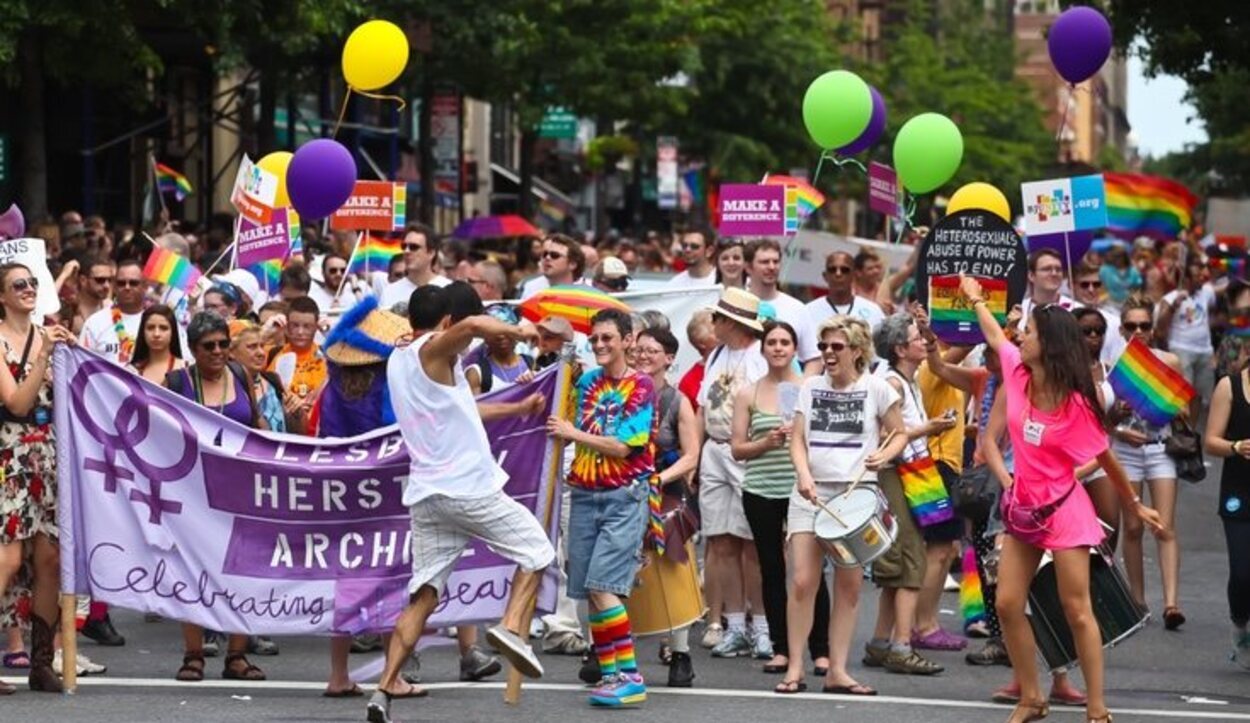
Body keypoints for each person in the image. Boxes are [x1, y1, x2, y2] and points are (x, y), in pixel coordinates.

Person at [959, 274, 1164, 723]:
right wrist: (975, 298)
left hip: (1065, 512)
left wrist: (1134, 505)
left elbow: (1105, 459)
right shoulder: (1014, 370)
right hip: (1024, 509)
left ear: (1047, 343)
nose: (1020, 336)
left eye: (1028, 331)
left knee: (1077, 610)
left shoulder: (1075, 404)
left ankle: (1096, 705)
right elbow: (995, 333)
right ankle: (1032, 697)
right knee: (1008, 602)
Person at [368, 282, 552, 723]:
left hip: (429, 497)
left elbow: (464, 407)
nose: (467, 344)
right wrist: (522, 331)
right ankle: (510, 627)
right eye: (461, 336)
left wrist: (518, 408)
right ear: (445, 325)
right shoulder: (431, 350)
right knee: (537, 551)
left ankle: (384, 687)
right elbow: (470, 324)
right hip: (466, 489)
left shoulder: (398, 360)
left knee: (425, 596)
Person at [316, 298, 499, 698]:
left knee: (348, 580)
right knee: (391, 579)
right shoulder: (390, 385)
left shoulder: (331, 390)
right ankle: (392, 676)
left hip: (344, 494)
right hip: (389, 494)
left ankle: (338, 674)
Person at [783, 315, 909, 695]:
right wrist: (803, 475)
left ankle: (837, 670)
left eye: (836, 347)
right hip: (811, 492)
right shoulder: (809, 387)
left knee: (850, 587)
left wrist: (884, 456)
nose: (828, 353)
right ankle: (795, 667)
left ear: (857, 350)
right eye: (823, 347)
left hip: (856, 496)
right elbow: (796, 441)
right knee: (804, 580)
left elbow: (899, 433)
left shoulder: (876, 388)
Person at [547, 308, 655, 706]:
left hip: (622, 496)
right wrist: (535, 380)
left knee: (603, 587)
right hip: (584, 493)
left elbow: (626, 446)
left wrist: (573, 433)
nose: (600, 345)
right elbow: (555, 405)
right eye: (595, 339)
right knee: (589, 591)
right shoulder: (589, 380)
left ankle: (630, 676)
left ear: (628, 340)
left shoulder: (641, 386)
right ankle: (610, 673)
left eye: (608, 338)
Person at [164, 311, 269, 683]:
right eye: (210, 346)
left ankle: (237, 655)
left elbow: (257, 424)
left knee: (241, 572)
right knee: (193, 572)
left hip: (241, 490)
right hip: (193, 494)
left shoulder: (242, 375)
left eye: (225, 344)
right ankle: (194, 655)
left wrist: (277, 450)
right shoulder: (177, 383)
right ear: (193, 350)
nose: (219, 351)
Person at [730, 321, 831, 684]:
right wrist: (767, 441)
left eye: (785, 342)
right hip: (761, 488)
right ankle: (782, 648)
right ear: (763, 349)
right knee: (771, 569)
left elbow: (824, 441)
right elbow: (737, 448)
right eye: (771, 342)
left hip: (802, 487)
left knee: (810, 571)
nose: (777, 348)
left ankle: (821, 650)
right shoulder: (748, 393)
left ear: (794, 348)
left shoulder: (810, 388)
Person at [0, 263, 76, 695]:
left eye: (32, 283)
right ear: (2, 296)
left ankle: (41, 661)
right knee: (8, 560)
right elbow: (16, 402)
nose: (29, 290)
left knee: (50, 560)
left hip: (49, 454)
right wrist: (45, 354)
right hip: (9, 455)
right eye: (18, 285)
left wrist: (69, 351)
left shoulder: (51, 333)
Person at [863, 313, 954, 676]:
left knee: (898, 559)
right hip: (896, 474)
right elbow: (887, 438)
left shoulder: (904, 379)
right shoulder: (893, 384)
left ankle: (881, 642)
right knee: (911, 558)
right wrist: (928, 428)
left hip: (910, 473)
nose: (925, 341)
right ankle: (901, 646)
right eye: (918, 337)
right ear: (901, 348)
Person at [625, 327, 702, 687]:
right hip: (621, 489)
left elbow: (691, 456)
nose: (642, 356)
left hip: (666, 491)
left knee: (673, 566)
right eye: (638, 350)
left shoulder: (677, 401)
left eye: (651, 351)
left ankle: (681, 652)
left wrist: (658, 478)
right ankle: (605, 648)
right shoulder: (620, 393)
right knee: (615, 567)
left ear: (669, 358)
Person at [696, 288, 769, 656]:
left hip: (749, 454)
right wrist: (696, 457)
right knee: (721, 539)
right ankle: (736, 625)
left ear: (732, 323)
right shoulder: (717, 355)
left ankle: (763, 627)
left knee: (752, 544)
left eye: (717, 318)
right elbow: (700, 408)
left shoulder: (760, 357)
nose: (712, 323)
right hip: (715, 449)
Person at [1112, 295, 1186, 627]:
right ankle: (1138, 601)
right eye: (1132, 326)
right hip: (1125, 448)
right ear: (1121, 329)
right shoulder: (1112, 364)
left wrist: (1169, 402)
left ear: (1152, 329)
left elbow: (1187, 412)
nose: (1138, 331)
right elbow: (1103, 415)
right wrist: (1118, 415)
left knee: (1164, 526)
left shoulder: (1168, 360)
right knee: (1131, 526)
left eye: (1144, 325)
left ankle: (1171, 603)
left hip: (1159, 447)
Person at [1201, 342, 1250, 670]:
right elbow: (1211, 441)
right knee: (1243, 572)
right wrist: (1235, 446)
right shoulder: (1230, 385)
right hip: (1239, 490)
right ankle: (1239, 623)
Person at [1155, 257, 1216, 420]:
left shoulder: (1207, 291)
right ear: (1186, 279)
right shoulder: (1170, 298)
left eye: (1203, 274)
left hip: (1205, 351)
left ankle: (1192, 434)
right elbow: (1160, 328)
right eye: (1197, 275)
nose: (1202, 277)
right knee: (1183, 395)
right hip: (1181, 350)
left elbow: (1223, 289)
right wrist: (1174, 305)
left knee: (1198, 395)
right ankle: (1182, 434)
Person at [745, 239, 819, 370]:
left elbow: (814, 358)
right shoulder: (735, 305)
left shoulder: (797, 308)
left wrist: (800, 386)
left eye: (776, 261)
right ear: (748, 267)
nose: (772, 267)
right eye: (764, 262)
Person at [266, 296, 324, 428]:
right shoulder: (270, 353)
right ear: (287, 326)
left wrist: (330, 333)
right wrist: (264, 333)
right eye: (295, 325)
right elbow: (235, 356)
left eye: (307, 326)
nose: (300, 332)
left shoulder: (328, 356)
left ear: (316, 327)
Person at [79, 258, 146, 366]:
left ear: (145, 286)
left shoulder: (156, 323)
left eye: (133, 283)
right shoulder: (94, 323)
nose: (127, 287)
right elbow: (81, 364)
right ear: (114, 287)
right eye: (121, 283)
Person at [805, 251, 886, 334]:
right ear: (825, 276)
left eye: (845, 270)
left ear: (853, 275)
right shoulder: (808, 311)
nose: (838, 274)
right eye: (832, 270)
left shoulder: (873, 311)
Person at [379, 223, 452, 309]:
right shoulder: (389, 292)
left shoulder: (448, 289)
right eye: (404, 246)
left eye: (414, 247)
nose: (407, 251)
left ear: (431, 253)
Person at [1072, 262, 1125, 366]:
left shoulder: (1115, 322)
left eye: (1096, 284)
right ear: (1071, 285)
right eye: (1085, 285)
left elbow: (1118, 358)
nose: (1091, 290)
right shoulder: (1064, 319)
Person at [128, 304, 186, 385]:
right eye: (150, 328)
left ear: (173, 332)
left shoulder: (186, 370)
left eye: (163, 328)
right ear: (143, 332)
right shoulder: (130, 372)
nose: (156, 334)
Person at [1017, 249, 1075, 328]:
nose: (1054, 273)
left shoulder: (1075, 308)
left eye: (1058, 269)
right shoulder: (1018, 309)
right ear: (1031, 275)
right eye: (1047, 269)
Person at [519, 234, 585, 300]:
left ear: (572, 264)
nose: (547, 258)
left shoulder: (586, 292)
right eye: (544, 254)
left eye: (555, 255)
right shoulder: (531, 288)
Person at [68, 256, 114, 335]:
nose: (107, 285)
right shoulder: (69, 308)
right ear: (83, 280)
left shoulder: (111, 307)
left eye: (110, 280)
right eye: (100, 280)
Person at [1099, 245, 1141, 311]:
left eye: (1119, 256)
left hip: (1127, 304)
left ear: (1125, 257)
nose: (1117, 259)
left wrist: (1134, 298)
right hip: (1108, 303)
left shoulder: (1133, 271)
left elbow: (1137, 288)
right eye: (1115, 256)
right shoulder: (1105, 269)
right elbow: (1100, 286)